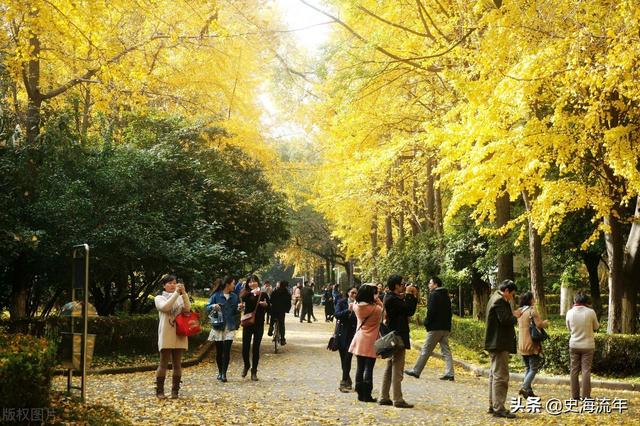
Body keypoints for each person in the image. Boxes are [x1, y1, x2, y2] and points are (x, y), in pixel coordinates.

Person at [379, 275, 418, 408]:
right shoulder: (393, 299)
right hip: (398, 337)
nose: (404, 285)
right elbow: (409, 310)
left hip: (393, 336)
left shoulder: (389, 297)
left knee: (390, 366)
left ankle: (384, 396)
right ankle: (398, 399)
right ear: (396, 285)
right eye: (402, 284)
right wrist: (410, 295)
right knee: (398, 368)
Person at [484, 280, 522, 418]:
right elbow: (505, 320)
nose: (512, 296)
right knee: (501, 376)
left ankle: (493, 405)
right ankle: (499, 408)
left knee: (494, 375)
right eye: (512, 294)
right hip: (499, 343)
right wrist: (515, 316)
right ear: (506, 291)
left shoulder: (494, 297)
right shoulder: (500, 300)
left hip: (495, 343)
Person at [405, 276, 454, 381]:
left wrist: (427, 323)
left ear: (436, 284)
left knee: (426, 349)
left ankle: (416, 371)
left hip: (435, 328)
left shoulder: (434, 294)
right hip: (445, 328)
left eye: (430, 283)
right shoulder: (446, 295)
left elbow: (431, 311)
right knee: (446, 351)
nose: (429, 285)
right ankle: (450, 373)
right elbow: (449, 312)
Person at [154, 274, 191, 399]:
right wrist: (176, 294)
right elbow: (165, 307)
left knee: (177, 363)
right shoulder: (159, 298)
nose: (172, 285)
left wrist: (183, 293)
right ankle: (159, 390)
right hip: (166, 332)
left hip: (180, 332)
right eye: (169, 283)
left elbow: (187, 309)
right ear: (164, 285)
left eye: (174, 283)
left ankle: (175, 391)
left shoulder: (180, 297)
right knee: (163, 362)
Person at [348, 284, 383, 403]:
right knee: (369, 368)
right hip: (371, 340)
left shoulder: (356, 307)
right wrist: (377, 299)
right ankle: (367, 395)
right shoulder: (376, 309)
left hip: (360, 339)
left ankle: (359, 393)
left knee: (360, 367)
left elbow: (354, 303)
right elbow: (382, 310)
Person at [566, 292, 599, 400]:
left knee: (574, 370)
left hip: (574, 344)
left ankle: (574, 396)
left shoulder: (569, 312)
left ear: (575, 300)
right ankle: (586, 396)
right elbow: (596, 327)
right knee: (586, 371)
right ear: (586, 301)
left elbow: (569, 328)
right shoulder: (591, 312)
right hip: (588, 345)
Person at [206, 276, 239, 383]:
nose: (234, 285)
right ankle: (220, 372)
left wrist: (239, 309)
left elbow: (235, 312)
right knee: (219, 351)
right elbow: (207, 307)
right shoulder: (216, 295)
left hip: (230, 326)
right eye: (233, 283)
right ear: (227, 284)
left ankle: (224, 373)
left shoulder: (234, 297)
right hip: (218, 326)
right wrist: (213, 306)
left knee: (227, 351)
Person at [517, 291, 549, 397]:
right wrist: (545, 323)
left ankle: (528, 392)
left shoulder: (519, 312)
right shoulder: (532, 311)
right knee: (533, 368)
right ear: (530, 300)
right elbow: (539, 324)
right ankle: (524, 387)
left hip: (522, 343)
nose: (534, 300)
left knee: (528, 367)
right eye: (533, 298)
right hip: (531, 343)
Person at [240, 275, 270, 381]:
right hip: (248, 323)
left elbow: (269, 308)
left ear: (258, 282)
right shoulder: (245, 293)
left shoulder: (263, 294)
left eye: (254, 281)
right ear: (248, 283)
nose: (252, 283)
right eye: (250, 282)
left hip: (259, 324)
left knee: (256, 348)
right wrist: (252, 293)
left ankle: (254, 371)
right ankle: (246, 365)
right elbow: (243, 300)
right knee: (245, 347)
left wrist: (265, 305)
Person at [334, 286, 357, 392]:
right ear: (348, 293)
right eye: (352, 292)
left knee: (348, 358)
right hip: (341, 334)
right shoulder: (341, 302)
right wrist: (348, 310)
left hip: (352, 335)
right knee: (343, 359)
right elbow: (337, 315)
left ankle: (343, 382)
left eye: (356, 293)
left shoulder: (359, 305)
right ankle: (347, 378)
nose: (354, 295)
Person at [268, 280, 292, 345]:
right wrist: (287, 310)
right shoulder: (287, 294)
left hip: (274, 310)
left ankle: (270, 329)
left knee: (272, 320)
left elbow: (270, 300)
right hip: (282, 311)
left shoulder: (274, 292)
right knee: (281, 325)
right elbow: (289, 304)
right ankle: (282, 339)